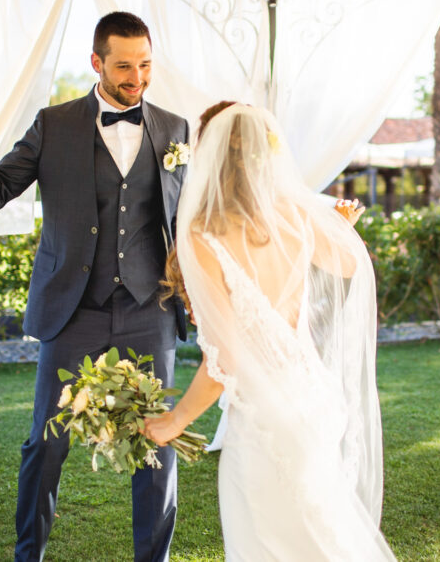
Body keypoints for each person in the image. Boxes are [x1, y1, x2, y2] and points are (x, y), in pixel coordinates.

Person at [0, 12, 189, 562]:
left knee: (157, 440)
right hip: (74, 310)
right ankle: (30, 555)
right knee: (46, 442)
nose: (136, 76)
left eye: (145, 64)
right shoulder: (55, 123)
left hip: (150, 307)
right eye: (123, 65)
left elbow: (197, 213)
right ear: (96, 63)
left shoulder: (174, 129)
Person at [144, 102, 395, 560]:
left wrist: (174, 420)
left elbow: (227, 357)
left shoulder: (203, 235)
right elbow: (344, 263)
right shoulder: (294, 215)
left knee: (265, 543)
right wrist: (338, 230)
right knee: (320, 532)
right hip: (311, 398)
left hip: (262, 420)